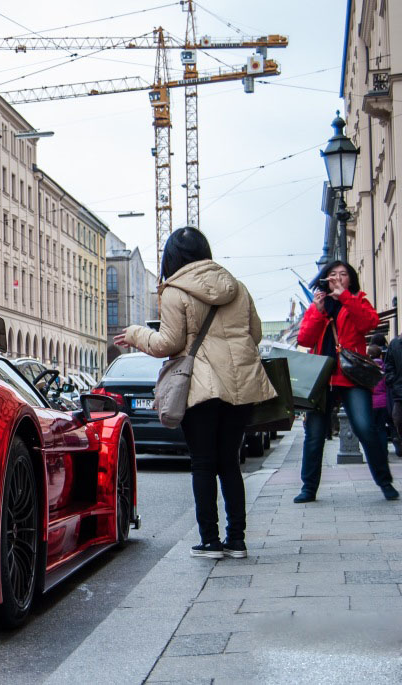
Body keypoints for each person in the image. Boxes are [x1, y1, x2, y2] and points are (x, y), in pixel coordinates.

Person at [115, 227, 275, 560]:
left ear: (171, 257)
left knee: (203, 464)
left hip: (200, 388)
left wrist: (134, 334)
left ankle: (210, 541)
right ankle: (237, 540)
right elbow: (255, 334)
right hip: (239, 388)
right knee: (229, 462)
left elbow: (167, 344)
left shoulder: (175, 291)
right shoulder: (237, 287)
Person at [295, 261, 398, 502]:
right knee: (315, 433)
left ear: (350, 280)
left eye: (343, 274)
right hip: (323, 377)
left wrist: (346, 299)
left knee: (365, 427)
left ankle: (385, 482)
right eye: (333, 274)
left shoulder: (357, 300)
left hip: (351, 375)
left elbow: (369, 324)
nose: (338, 278)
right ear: (325, 279)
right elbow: (305, 338)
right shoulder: (318, 304)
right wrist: (319, 311)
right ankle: (308, 488)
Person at [369, 344, 391, 455]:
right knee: (382, 429)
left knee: (372, 430)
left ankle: (375, 454)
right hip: (384, 402)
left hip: (371, 403)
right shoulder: (385, 367)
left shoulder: (367, 367)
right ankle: (384, 453)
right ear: (381, 355)